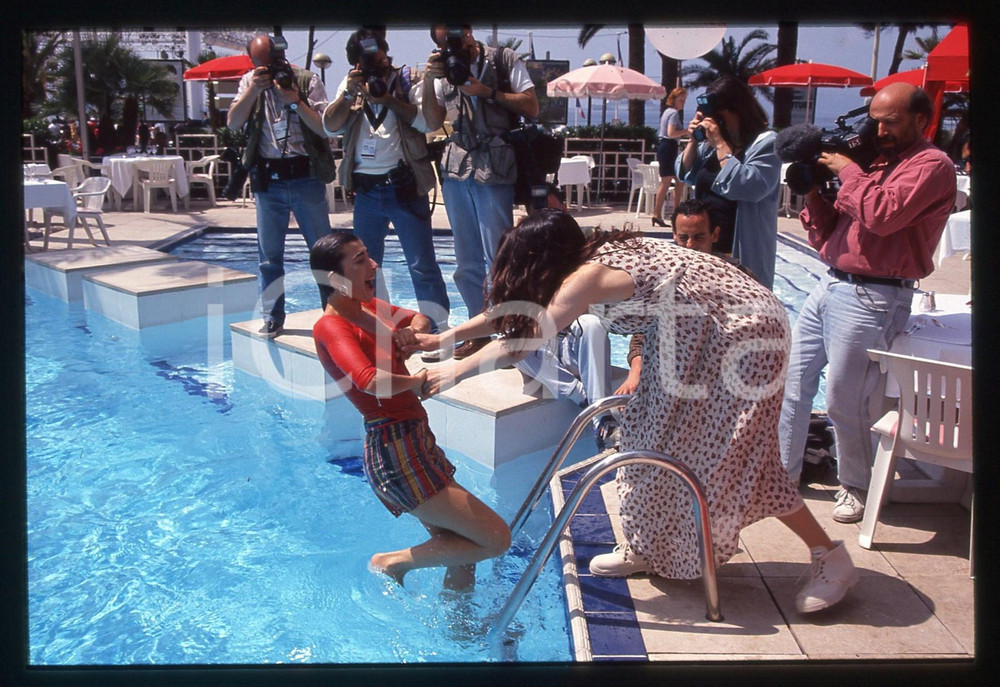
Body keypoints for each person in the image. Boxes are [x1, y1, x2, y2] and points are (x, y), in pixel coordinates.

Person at [409, 209, 859, 614]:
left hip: (741, 331)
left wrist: (454, 372)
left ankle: (829, 555)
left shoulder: (586, 276)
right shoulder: (586, 260)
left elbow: (526, 335)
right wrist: (443, 341)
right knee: (645, 436)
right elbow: (513, 313)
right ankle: (645, 547)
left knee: (736, 454)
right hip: (688, 334)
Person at [777, 82, 957, 523]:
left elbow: (882, 215)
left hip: (875, 294)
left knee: (844, 397)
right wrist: (816, 190)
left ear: (921, 119)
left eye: (890, 122)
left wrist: (848, 171)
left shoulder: (931, 165)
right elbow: (828, 233)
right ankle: (780, 477)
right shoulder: (872, 161)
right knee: (793, 383)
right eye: (875, 119)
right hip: (832, 283)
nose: (879, 130)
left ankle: (855, 485)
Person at [310, 230, 509, 591]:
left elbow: (420, 320)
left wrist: (407, 335)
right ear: (336, 279)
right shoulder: (331, 325)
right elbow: (367, 379)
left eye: (368, 255)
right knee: (495, 538)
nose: (373, 265)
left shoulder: (368, 309)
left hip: (413, 439)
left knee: (463, 548)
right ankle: (390, 562)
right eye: (360, 261)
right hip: (395, 449)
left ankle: (461, 634)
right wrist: (417, 380)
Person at [420, 24, 540, 359]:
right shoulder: (443, 71)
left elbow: (532, 106)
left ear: (470, 32)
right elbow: (431, 121)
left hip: (495, 167)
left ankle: (511, 330)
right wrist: (430, 79)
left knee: (498, 257)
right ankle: (480, 331)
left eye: (456, 38)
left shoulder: (502, 59)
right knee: (466, 261)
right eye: (446, 44)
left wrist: (486, 92)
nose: (454, 46)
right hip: (457, 168)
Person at [322, 28, 450, 335]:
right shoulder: (350, 84)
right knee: (364, 268)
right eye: (364, 62)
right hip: (366, 190)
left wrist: (389, 100)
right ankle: (375, 331)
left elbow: (427, 122)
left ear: (386, 52)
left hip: (403, 185)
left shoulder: (406, 79)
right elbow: (330, 127)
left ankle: (436, 331)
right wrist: (349, 93)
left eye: (376, 57)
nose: (371, 65)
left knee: (422, 265)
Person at [228, 34, 337, 338]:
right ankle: (273, 316)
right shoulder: (249, 82)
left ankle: (334, 317)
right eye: (260, 64)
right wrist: (252, 89)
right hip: (268, 180)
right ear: (253, 63)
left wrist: (296, 100)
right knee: (268, 256)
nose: (268, 69)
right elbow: (233, 122)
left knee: (322, 253)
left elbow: (324, 126)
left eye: (272, 62)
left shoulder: (305, 80)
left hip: (305, 177)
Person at [676, 75, 781, 290]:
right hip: (707, 249)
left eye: (719, 116)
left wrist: (721, 146)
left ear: (738, 111)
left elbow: (749, 188)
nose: (715, 122)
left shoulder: (766, 143)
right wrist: (694, 141)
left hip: (742, 249)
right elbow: (684, 173)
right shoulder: (710, 145)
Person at [513, 314, 619, 451]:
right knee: (510, 340)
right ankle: (586, 399)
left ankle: (603, 420)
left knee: (592, 323)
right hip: (542, 356)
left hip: (572, 347)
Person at [651, 87, 687, 228]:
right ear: (674, 100)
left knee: (678, 181)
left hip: (666, 147)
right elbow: (671, 133)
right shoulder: (673, 114)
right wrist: (687, 130)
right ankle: (660, 214)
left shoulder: (668, 112)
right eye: (681, 100)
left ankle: (671, 213)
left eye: (684, 100)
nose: (683, 103)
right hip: (668, 147)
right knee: (667, 182)